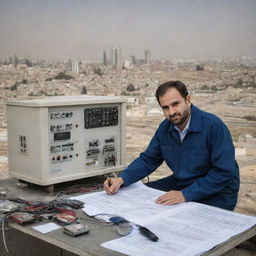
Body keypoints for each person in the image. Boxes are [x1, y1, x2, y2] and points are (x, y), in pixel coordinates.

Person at [104, 81, 240, 211]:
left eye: (175, 104)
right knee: (135, 195)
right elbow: (149, 159)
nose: (171, 112)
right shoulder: (165, 128)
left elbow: (223, 173)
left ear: (188, 100)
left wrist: (185, 195)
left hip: (217, 191)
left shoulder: (214, 127)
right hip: (181, 183)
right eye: (165, 107)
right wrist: (122, 179)